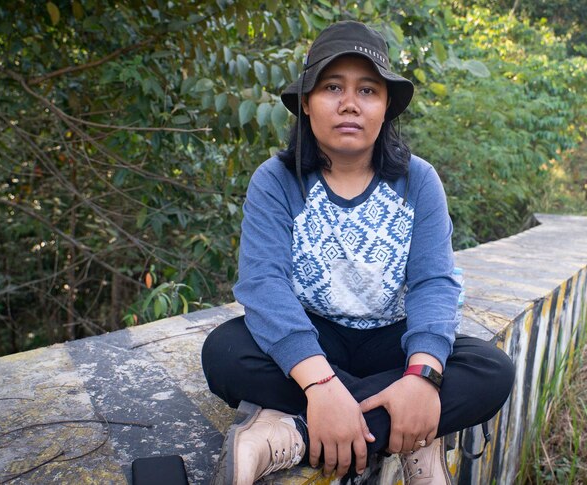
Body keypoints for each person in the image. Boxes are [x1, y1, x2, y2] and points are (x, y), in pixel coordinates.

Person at [201, 20, 515, 485]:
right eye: (332, 87)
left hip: (392, 338)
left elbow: (433, 283)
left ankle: (291, 433)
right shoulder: (277, 180)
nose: (350, 103)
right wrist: (321, 383)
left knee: (490, 370)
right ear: (306, 103)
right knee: (225, 351)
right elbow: (264, 283)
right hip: (314, 339)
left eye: (368, 90)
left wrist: (422, 377)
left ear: (385, 107)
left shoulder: (418, 181)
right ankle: (410, 432)